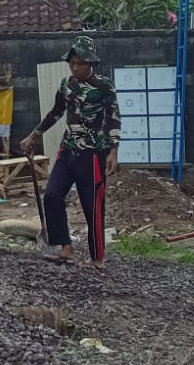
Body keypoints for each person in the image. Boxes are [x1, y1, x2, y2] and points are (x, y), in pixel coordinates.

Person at [19, 36, 121, 267]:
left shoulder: (105, 87)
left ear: (91, 64)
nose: (76, 67)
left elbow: (114, 119)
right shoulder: (67, 85)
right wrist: (34, 135)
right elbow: (55, 112)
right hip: (68, 151)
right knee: (53, 195)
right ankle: (66, 247)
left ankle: (97, 258)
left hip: (94, 154)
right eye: (72, 63)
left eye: (81, 63)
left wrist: (113, 150)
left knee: (92, 205)